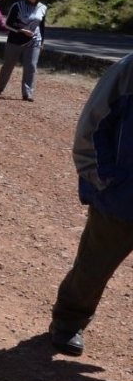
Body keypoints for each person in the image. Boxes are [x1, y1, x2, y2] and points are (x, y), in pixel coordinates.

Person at [47, 53, 133, 357]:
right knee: (93, 267)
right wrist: (104, 180)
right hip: (122, 199)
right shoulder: (128, 70)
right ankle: (68, 322)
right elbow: (92, 127)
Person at [0, 0, 47, 101]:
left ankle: (27, 93)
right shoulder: (17, 5)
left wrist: (42, 41)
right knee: (8, 64)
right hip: (15, 40)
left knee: (31, 66)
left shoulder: (43, 8)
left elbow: (42, 26)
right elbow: (8, 23)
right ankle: (0, 87)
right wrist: (21, 30)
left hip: (34, 40)